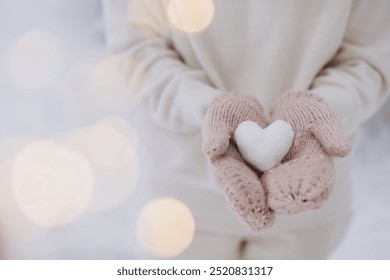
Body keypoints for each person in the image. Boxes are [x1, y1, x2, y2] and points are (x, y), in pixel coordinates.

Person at [102, 0, 390, 259]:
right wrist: (207, 109)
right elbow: (137, 51)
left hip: (306, 198)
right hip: (185, 199)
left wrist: (318, 110)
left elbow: (369, 58)